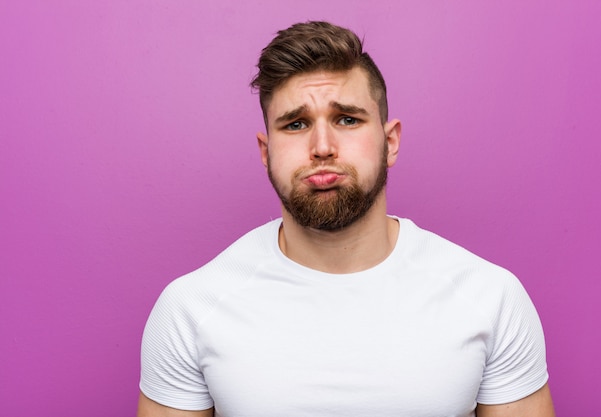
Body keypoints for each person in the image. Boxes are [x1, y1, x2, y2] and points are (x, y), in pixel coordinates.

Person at [137, 21, 555, 417]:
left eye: (347, 119)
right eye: (296, 124)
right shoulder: (191, 309)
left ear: (389, 142)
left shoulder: (490, 298)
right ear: (266, 153)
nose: (322, 146)